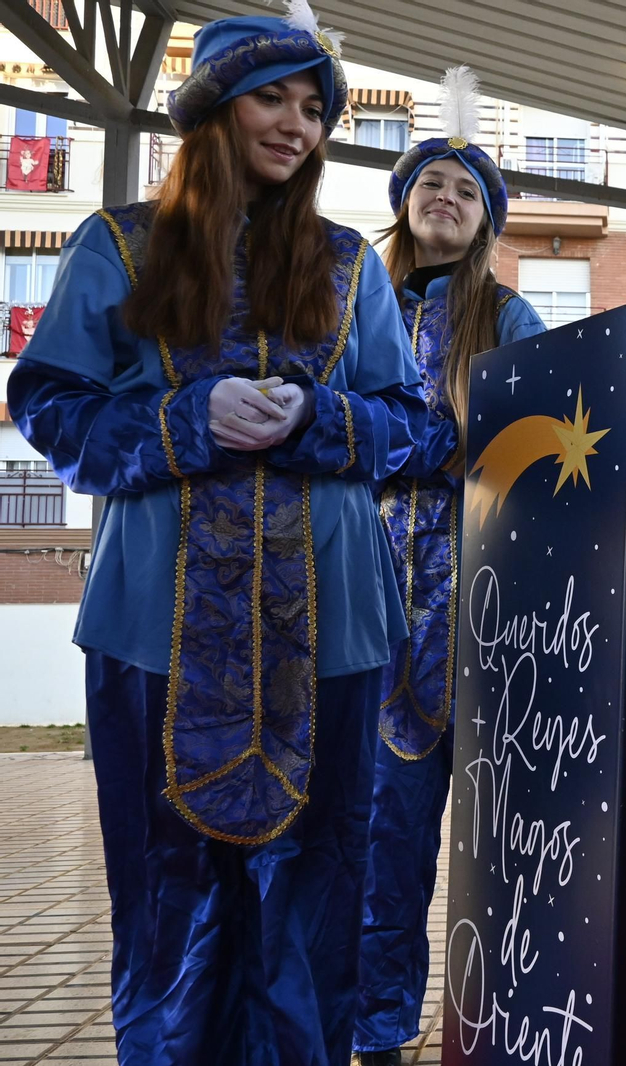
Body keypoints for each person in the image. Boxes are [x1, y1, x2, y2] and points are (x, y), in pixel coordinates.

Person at [3, 5, 425, 1063]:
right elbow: (49, 404)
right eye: (273, 97)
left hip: (332, 632)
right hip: (156, 626)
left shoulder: (348, 264)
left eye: (316, 108)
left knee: (321, 881)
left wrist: (324, 420)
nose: (298, 124)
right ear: (214, 107)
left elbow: (413, 427)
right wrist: (182, 422)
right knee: (164, 889)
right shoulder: (118, 243)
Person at [352, 65, 545, 1066]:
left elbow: (545, 431)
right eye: (431, 183)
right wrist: (439, 440)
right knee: (383, 843)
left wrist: (417, 442)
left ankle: (515, 1022)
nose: (446, 198)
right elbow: (337, 433)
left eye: (466, 191)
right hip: (371, 623)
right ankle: (377, 1028)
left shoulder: (508, 322)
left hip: (491, 619)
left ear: (485, 223)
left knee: (512, 842)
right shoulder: (353, 307)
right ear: (403, 199)